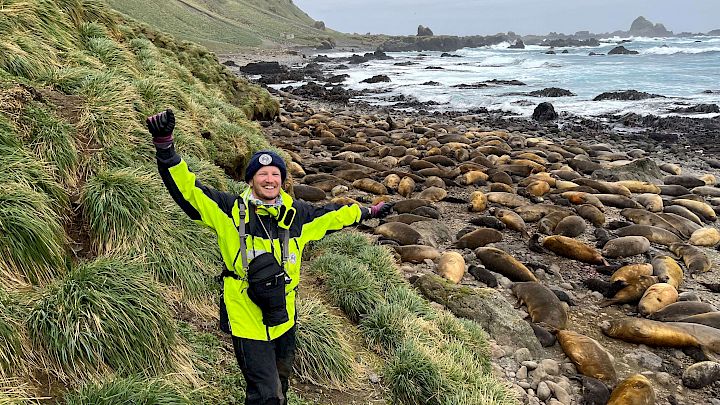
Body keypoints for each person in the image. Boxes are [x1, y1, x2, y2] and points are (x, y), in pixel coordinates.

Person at [146, 109, 392, 405]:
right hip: (245, 316)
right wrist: (165, 147)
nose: (269, 178)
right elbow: (189, 192)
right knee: (266, 395)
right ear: (251, 180)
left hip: (284, 316)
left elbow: (334, 216)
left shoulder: (297, 216)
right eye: (262, 174)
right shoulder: (230, 211)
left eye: (275, 173)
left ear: (282, 180)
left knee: (281, 387)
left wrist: (368, 211)